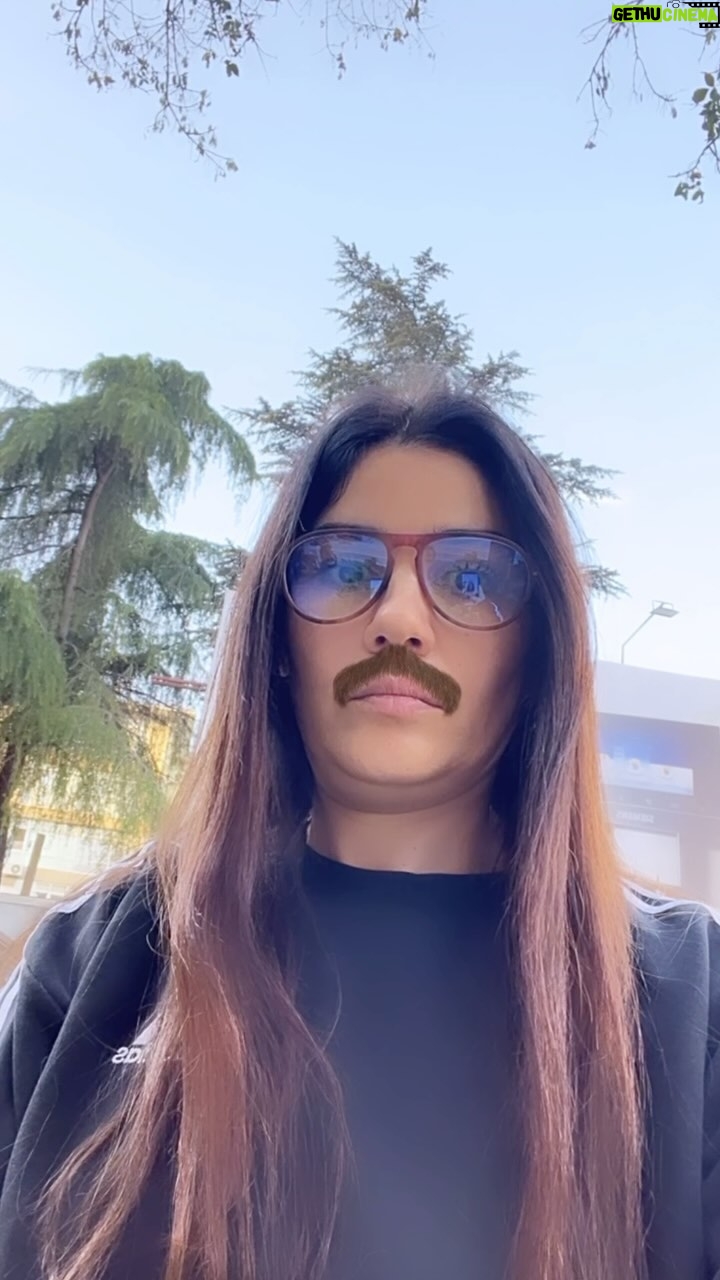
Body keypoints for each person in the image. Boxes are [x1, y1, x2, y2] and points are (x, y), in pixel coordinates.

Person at [0, 373, 718, 1280]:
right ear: (277, 638)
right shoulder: (93, 964)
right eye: (344, 567)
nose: (400, 619)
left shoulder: (691, 999)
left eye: (471, 577)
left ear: (537, 652)